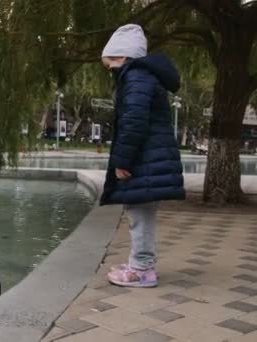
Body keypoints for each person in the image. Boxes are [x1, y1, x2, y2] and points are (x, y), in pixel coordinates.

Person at [99, 24, 186, 288]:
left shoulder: (136, 78)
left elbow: (134, 122)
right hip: (148, 156)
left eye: (111, 61)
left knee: (140, 213)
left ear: (124, 57)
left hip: (144, 158)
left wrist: (123, 161)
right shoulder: (142, 76)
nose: (110, 69)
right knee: (140, 211)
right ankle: (139, 262)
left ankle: (142, 270)